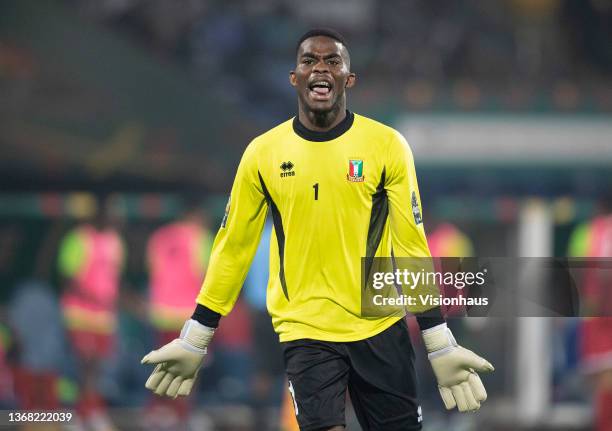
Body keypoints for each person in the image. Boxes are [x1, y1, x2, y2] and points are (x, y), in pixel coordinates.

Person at [142, 29, 494, 431]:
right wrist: (196, 337)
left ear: (349, 78)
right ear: (294, 77)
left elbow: (409, 245)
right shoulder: (263, 153)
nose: (320, 68)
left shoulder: (386, 146)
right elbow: (233, 247)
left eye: (333, 61)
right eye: (309, 61)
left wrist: (438, 339)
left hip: (379, 324)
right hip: (306, 330)